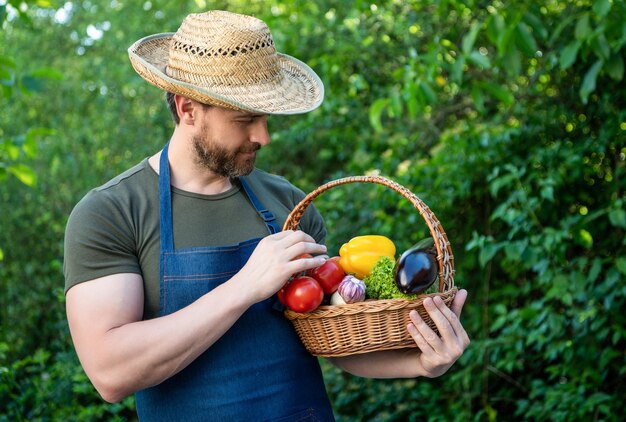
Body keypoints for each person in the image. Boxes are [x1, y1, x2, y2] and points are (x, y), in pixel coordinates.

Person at [64, 10, 470, 422]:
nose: (263, 137)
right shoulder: (112, 213)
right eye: (245, 120)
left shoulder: (289, 203)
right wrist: (245, 286)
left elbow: (329, 339)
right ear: (188, 109)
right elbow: (110, 373)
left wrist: (421, 361)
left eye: (265, 118)